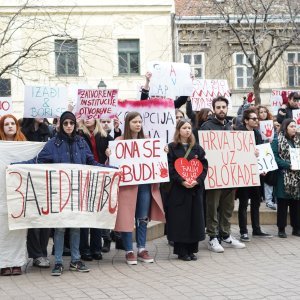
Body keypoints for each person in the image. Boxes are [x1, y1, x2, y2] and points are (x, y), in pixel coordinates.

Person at [17, 111, 112, 276]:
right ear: (61, 125)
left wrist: (111, 170)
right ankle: (59, 262)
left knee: (75, 227)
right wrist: (16, 166)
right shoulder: (53, 144)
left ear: (75, 125)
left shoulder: (81, 142)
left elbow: (92, 163)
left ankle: (75, 260)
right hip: (59, 194)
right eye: (66, 123)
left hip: (77, 193)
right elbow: (36, 162)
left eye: (71, 123)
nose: (69, 126)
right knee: (60, 228)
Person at [112, 112, 165, 265]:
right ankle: (129, 250)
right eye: (134, 121)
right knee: (127, 217)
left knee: (142, 218)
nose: (138, 124)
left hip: (144, 185)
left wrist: (163, 152)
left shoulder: (147, 141)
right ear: (128, 123)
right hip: (127, 186)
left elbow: (156, 159)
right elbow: (113, 163)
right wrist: (110, 154)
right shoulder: (119, 141)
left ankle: (141, 248)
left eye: (140, 121)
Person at [200, 96, 245, 252]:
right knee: (212, 206)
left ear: (227, 108)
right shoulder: (206, 127)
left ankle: (225, 235)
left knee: (228, 206)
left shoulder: (231, 126)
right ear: (214, 109)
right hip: (214, 175)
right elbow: (202, 151)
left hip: (229, 174)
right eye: (218, 107)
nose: (221, 110)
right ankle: (212, 237)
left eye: (223, 107)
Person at [167, 118, 208, 261]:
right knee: (181, 220)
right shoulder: (172, 147)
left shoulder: (197, 148)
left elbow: (204, 167)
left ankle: (192, 250)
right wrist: (182, 181)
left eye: (189, 128)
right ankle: (182, 251)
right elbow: (170, 168)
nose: (187, 130)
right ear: (179, 130)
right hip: (179, 191)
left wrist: (197, 181)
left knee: (194, 220)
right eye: (184, 128)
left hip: (194, 191)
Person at [78, 118, 113, 259]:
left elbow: (119, 145)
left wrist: (111, 150)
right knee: (85, 215)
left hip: (100, 177)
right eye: (84, 115)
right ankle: (84, 249)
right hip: (83, 177)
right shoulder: (78, 135)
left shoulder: (103, 135)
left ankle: (96, 248)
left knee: (98, 214)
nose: (87, 118)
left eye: (90, 115)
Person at [236, 109, 272, 242]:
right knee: (243, 203)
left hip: (256, 174)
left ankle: (256, 229)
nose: (257, 120)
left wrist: (263, 167)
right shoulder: (239, 133)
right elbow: (236, 153)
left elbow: (261, 152)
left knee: (256, 202)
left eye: (257, 118)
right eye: (254, 119)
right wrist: (250, 153)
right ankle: (243, 231)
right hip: (244, 173)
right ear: (246, 120)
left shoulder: (257, 133)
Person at [21, 118, 51, 268]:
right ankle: (35, 254)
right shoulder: (22, 132)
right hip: (28, 178)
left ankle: (43, 252)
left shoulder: (48, 131)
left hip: (44, 178)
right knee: (32, 218)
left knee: (46, 217)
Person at [0, 114, 27, 276]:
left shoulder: (24, 145)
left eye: (13, 123)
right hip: (1, 193)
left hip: (19, 193)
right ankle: (3, 263)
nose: (10, 126)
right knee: (2, 230)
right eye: (6, 124)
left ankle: (16, 263)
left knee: (18, 228)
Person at [271, 119, 300, 238]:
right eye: (292, 126)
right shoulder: (277, 140)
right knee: (283, 203)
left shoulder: (298, 141)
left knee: (296, 204)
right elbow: (274, 157)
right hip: (283, 176)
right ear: (286, 127)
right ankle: (281, 229)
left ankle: (296, 228)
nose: (294, 128)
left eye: (295, 126)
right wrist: (288, 165)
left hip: (296, 177)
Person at [257, 106, 277, 210]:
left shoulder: (271, 125)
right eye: (261, 112)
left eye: (265, 112)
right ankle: (256, 198)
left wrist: (271, 140)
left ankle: (269, 200)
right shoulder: (256, 126)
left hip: (268, 153)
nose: (263, 114)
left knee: (269, 178)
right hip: (258, 154)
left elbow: (276, 139)